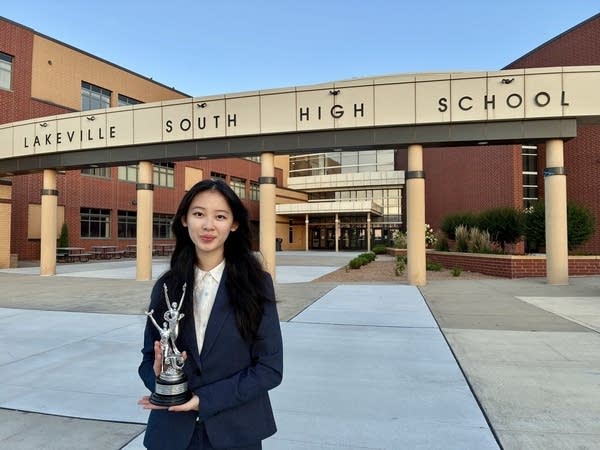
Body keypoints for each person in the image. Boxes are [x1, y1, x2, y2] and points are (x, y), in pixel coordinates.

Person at [138, 179, 283, 450]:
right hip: (172, 435)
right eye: (198, 214)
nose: (208, 225)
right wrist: (158, 380)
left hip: (236, 432)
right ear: (184, 220)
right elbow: (148, 359)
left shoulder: (256, 284)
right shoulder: (167, 286)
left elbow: (269, 369)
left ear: (234, 224)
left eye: (220, 216)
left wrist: (205, 400)